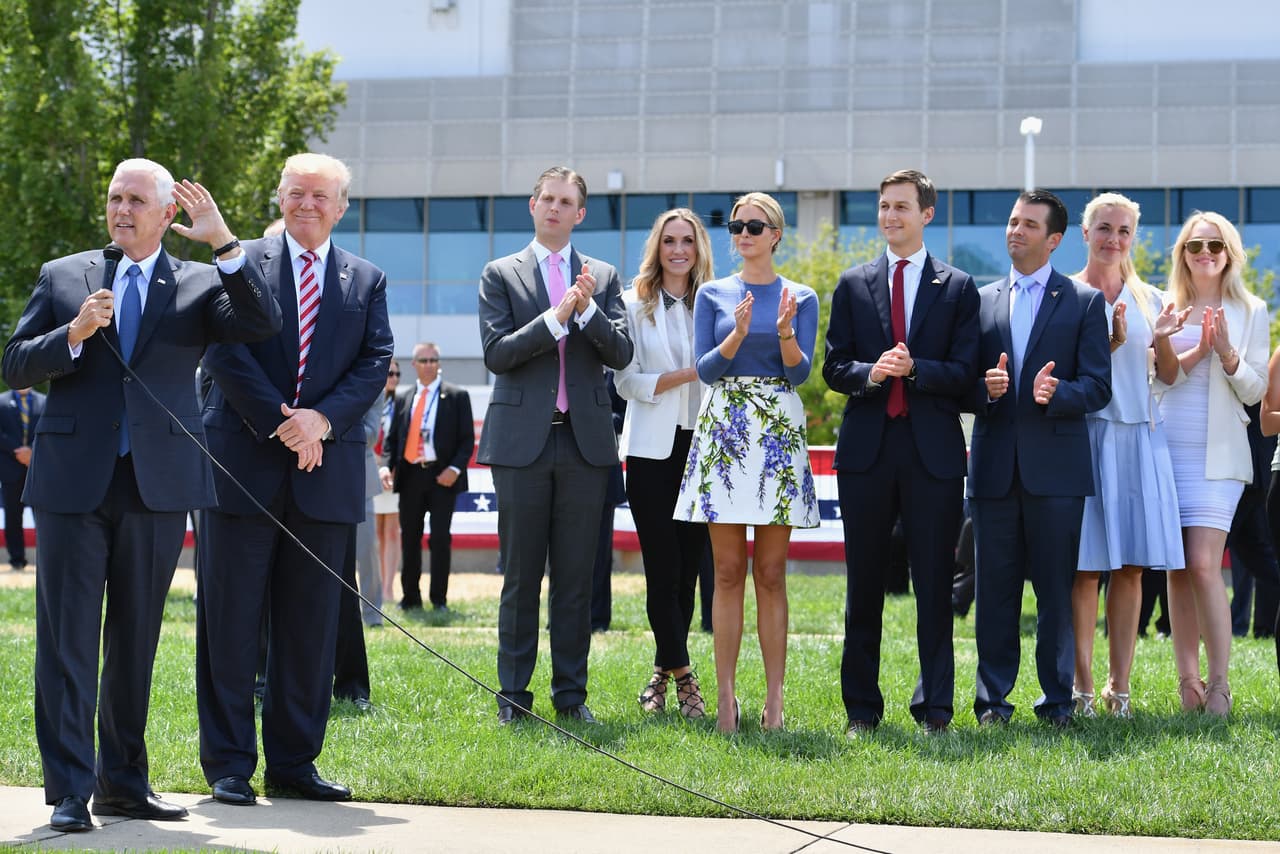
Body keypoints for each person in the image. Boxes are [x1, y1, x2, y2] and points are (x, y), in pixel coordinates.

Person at [1, 158, 280, 832]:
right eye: (114, 198)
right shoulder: (66, 276)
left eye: (135, 200)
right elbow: (13, 363)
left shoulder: (198, 282)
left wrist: (223, 242)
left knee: (136, 639)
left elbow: (261, 320)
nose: (121, 210)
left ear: (166, 215)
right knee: (66, 640)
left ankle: (123, 782)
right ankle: (69, 790)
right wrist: (71, 336)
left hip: (156, 484)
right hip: (72, 482)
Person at [197, 152, 392, 805]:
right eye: (295, 193)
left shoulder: (367, 279)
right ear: (279, 196)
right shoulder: (237, 261)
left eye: (320, 196)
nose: (306, 204)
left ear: (341, 207)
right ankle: (228, 765)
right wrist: (284, 423)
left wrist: (321, 422)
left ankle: (293, 764)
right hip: (243, 463)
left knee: (309, 627)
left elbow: (374, 363)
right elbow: (222, 348)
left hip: (325, 470)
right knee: (230, 620)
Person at [823, 169, 980, 735]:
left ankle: (935, 707)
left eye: (902, 207)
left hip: (932, 454)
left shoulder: (958, 288)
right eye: (884, 207)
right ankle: (861, 710)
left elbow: (965, 374)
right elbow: (835, 368)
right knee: (862, 586)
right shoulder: (852, 283)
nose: (890, 216)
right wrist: (872, 371)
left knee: (935, 585)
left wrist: (916, 370)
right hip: (866, 454)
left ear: (926, 214)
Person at [477, 165, 633, 725]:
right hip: (523, 445)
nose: (555, 209)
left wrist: (587, 309)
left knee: (574, 579)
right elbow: (497, 353)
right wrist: (557, 317)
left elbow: (620, 354)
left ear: (580, 213)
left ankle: (572, 698)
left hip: (586, 445)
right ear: (532, 204)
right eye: (547, 199)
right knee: (521, 576)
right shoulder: (501, 273)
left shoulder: (605, 276)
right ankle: (514, 697)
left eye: (567, 202)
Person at [674, 191, 819, 733]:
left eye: (755, 226)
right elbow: (706, 371)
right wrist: (736, 332)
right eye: (736, 226)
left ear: (776, 234)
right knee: (728, 571)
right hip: (726, 427)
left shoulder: (800, 296)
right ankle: (727, 701)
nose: (743, 234)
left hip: (778, 427)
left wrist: (782, 331)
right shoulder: (712, 293)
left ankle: (776, 702)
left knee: (772, 573)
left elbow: (800, 373)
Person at [966, 189, 1112, 728]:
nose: (1015, 231)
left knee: (1056, 590)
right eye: (1011, 221)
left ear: (1053, 239)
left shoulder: (1085, 302)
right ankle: (991, 704)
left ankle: (1057, 703)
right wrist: (986, 388)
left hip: (1057, 472)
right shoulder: (979, 300)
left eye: (1029, 224)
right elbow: (965, 385)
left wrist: (1061, 395)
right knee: (994, 594)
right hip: (994, 469)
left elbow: (1099, 386)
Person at [1069, 192, 1188, 719]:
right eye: (1104, 228)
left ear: (1132, 238)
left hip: (1139, 437)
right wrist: (1112, 346)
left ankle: (1121, 690)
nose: (1113, 239)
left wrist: (1160, 340)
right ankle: (1082, 688)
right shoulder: (1065, 295)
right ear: (1085, 232)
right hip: (1085, 438)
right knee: (1085, 569)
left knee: (1134, 568)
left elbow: (1166, 375)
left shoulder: (1152, 299)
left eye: (1123, 231)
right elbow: (1066, 373)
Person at [1157, 211, 1269, 717]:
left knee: (1204, 564)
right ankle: (1188, 685)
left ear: (1230, 253)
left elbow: (1256, 390)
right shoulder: (1164, 304)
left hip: (1219, 455)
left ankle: (1220, 684)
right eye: (1194, 246)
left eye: (1215, 246)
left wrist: (1225, 353)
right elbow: (1155, 381)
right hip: (1164, 448)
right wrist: (1192, 349)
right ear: (1182, 253)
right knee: (1177, 569)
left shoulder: (1251, 310)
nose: (1204, 254)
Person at [615, 207, 714, 719]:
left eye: (688, 241)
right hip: (650, 451)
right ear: (658, 246)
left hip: (702, 448)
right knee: (662, 567)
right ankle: (687, 682)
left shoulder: (715, 303)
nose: (679, 250)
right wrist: (683, 375)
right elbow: (624, 381)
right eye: (670, 240)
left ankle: (661, 673)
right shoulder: (632, 304)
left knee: (688, 573)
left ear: (699, 250)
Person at [380, 342, 473, 611]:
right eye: (424, 360)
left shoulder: (456, 396)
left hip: (442, 477)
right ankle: (410, 597)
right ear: (414, 364)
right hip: (410, 475)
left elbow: (466, 440)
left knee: (440, 538)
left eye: (434, 360)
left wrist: (454, 470)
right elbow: (392, 440)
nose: (429, 365)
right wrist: (386, 466)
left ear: (439, 363)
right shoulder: (402, 398)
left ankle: (439, 599)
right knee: (409, 537)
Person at [0, 386, 45, 571]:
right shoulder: (1, 402)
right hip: (11, 468)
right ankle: (17, 559)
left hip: (38, 469)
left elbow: (48, 429)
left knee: (42, 516)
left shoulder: (45, 401)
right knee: (12, 515)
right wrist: (18, 452)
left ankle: (44, 559)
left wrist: (32, 452)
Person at [374, 361, 401, 602]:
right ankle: (374, 586)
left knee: (392, 531)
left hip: (392, 473)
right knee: (375, 532)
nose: (392, 378)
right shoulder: (370, 400)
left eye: (396, 374)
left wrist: (389, 465)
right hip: (368, 469)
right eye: (388, 373)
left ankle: (388, 589)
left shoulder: (400, 404)